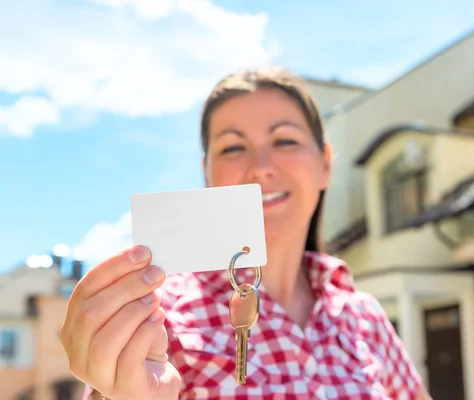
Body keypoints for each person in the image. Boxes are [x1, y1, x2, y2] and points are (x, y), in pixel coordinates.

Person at [60, 66, 432, 400]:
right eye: (234, 148)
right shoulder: (157, 316)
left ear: (325, 165)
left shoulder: (364, 316)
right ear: (208, 176)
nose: (260, 167)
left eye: (285, 140)